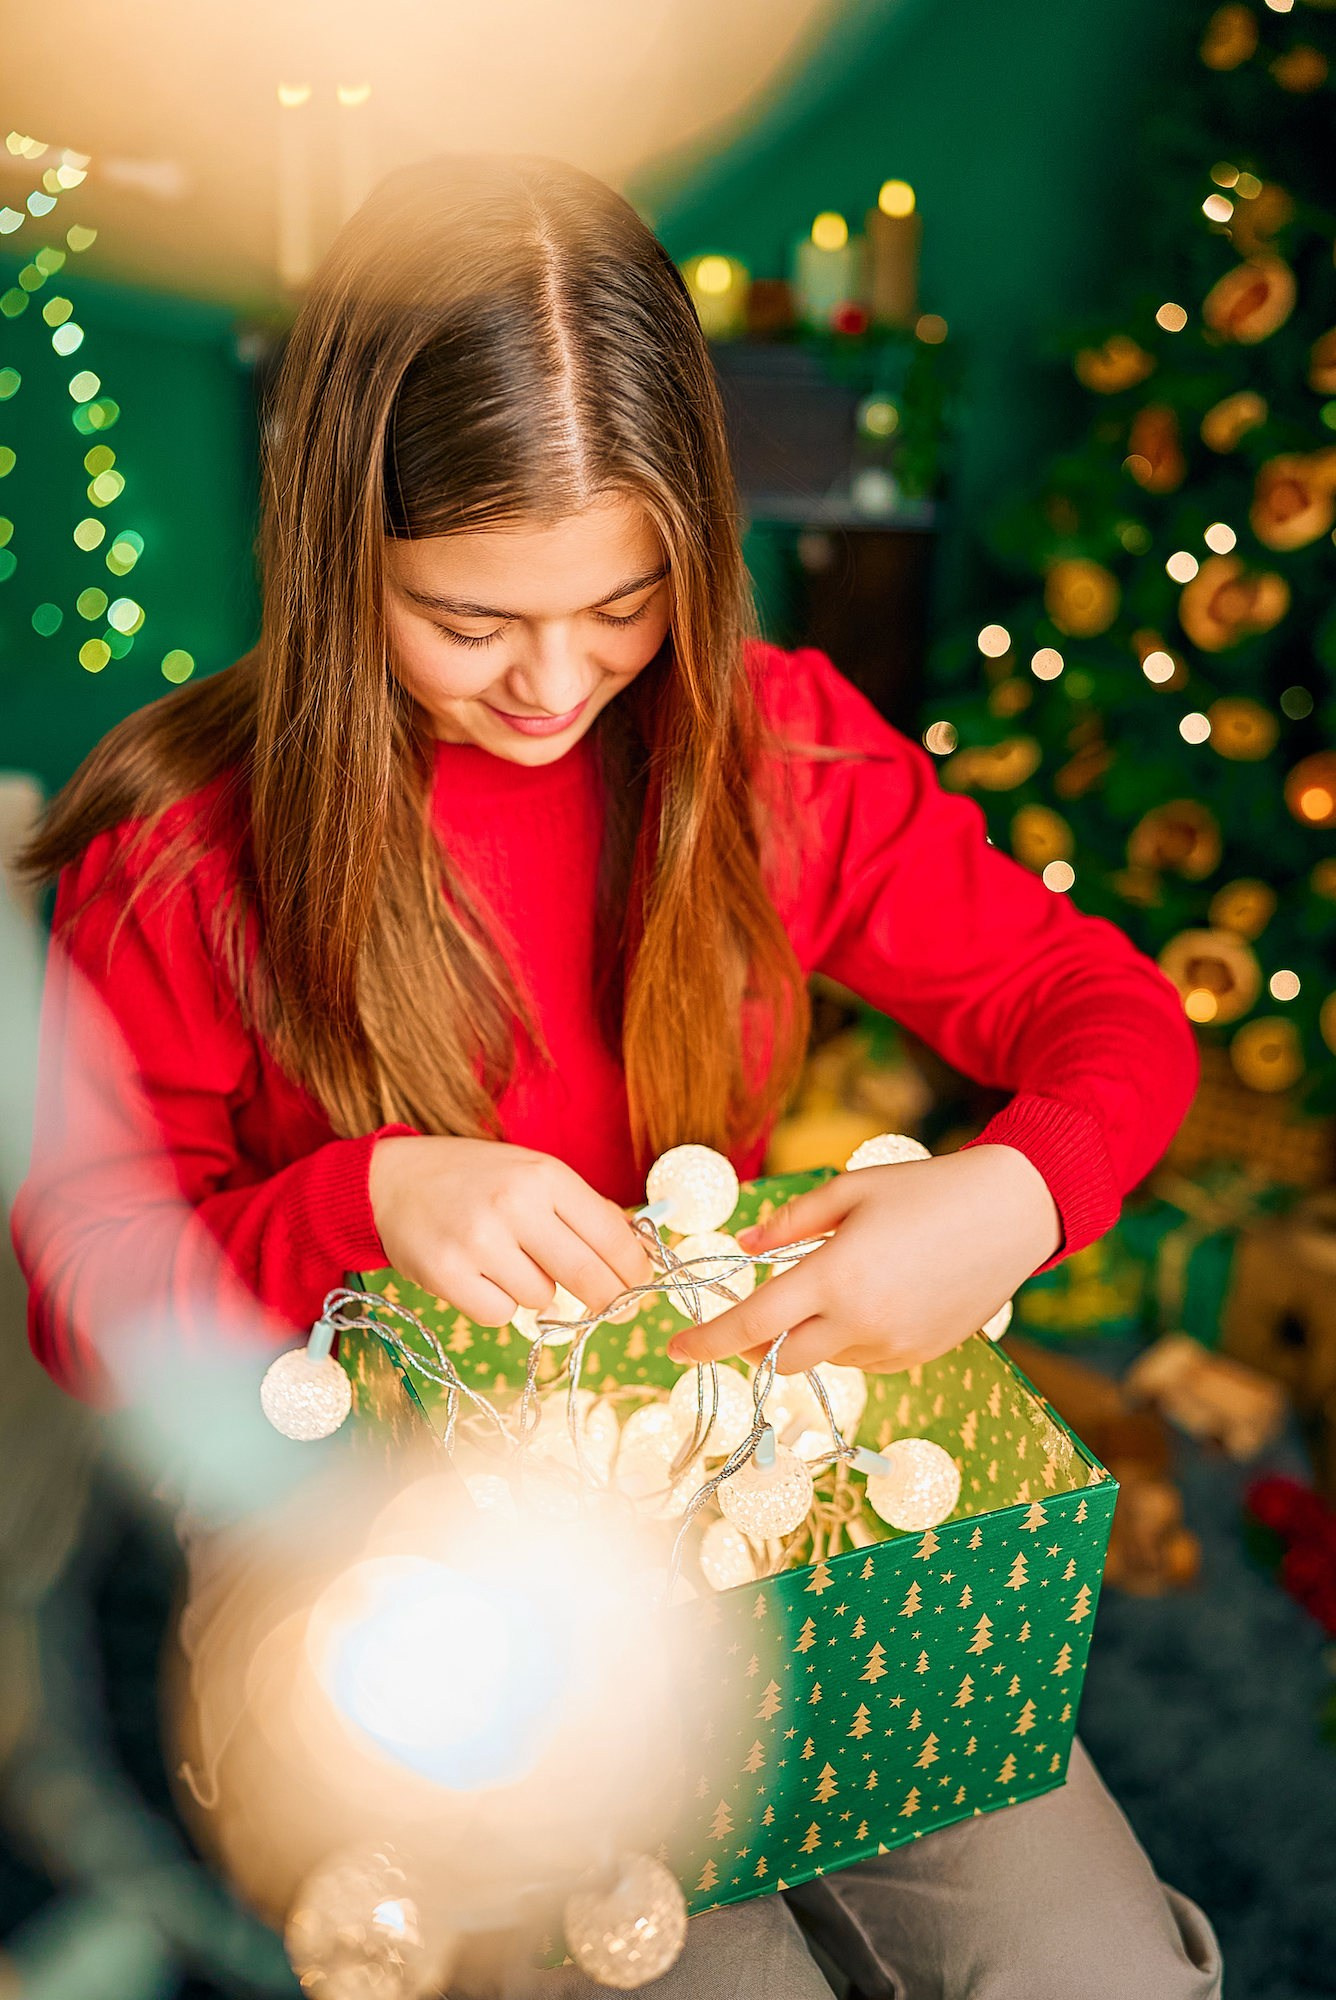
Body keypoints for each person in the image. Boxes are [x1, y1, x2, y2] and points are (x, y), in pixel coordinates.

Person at [12, 154, 1220, 1998]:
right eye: (470, 622)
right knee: (697, 1966)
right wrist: (367, 1202)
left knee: (1094, 1966)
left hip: (727, 1458)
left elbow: (1112, 1014)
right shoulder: (187, 859)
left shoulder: (769, 751)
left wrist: (1018, 1193)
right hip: (363, 1525)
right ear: (339, 560)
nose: (552, 684)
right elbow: (90, 1289)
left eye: (625, 602)